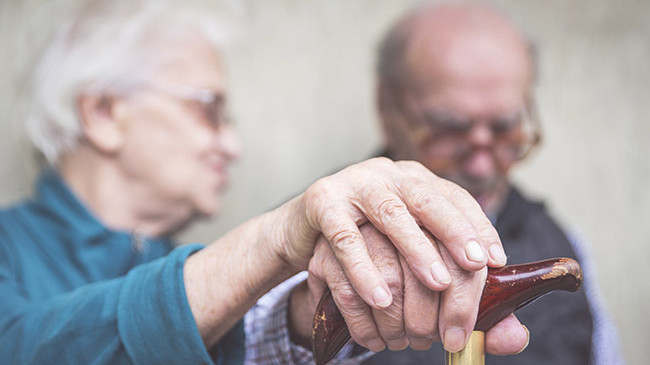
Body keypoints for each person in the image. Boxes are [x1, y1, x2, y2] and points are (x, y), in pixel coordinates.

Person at [0, 1, 529, 364]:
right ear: (103, 112)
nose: (233, 147)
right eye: (209, 111)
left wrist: (327, 305)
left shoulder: (177, 261)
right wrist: (272, 239)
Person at [363, 1, 623, 365]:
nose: (483, 167)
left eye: (504, 129)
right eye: (450, 129)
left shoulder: (563, 245)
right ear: (387, 109)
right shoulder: (322, 248)